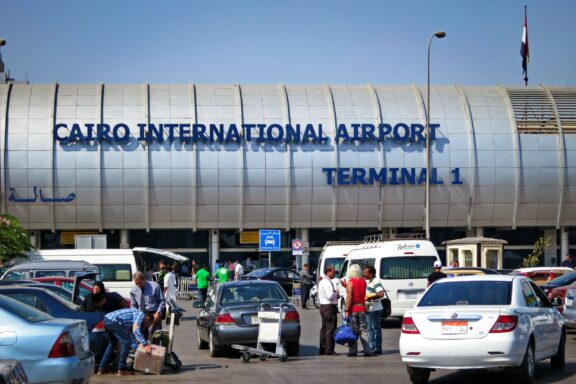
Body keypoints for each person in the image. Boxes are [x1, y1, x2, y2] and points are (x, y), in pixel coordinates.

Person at [98, 308, 154, 376]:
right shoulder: (140, 315)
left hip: (107, 319)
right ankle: (121, 369)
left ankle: (102, 368)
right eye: (149, 324)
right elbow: (136, 330)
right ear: (147, 319)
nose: (148, 326)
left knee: (112, 343)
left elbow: (130, 334)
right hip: (114, 321)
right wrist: (145, 345)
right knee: (126, 342)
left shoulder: (131, 319)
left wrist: (136, 346)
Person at [345, 264, 372, 357]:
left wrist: (346, 310)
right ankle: (367, 350)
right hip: (362, 308)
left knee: (353, 330)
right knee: (364, 330)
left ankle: (353, 351)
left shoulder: (350, 282)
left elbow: (349, 297)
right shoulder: (363, 281)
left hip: (353, 309)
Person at [130, 271, 165, 338]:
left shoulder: (155, 286)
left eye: (140, 283)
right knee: (140, 336)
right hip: (141, 315)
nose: (138, 285)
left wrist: (158, 313)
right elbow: (133, 305)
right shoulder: (133, 290)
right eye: (136, 283)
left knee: (154, 335)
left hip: (153, 314)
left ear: (144, 279)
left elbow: (162, 301)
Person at [364, 266, 385, 355]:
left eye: (366, 272)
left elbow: (381, 294)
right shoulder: (370, 281)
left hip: (374, 308)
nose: (364, 274)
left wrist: (369, 297)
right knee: (373, 328)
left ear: (371, 273)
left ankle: (374, 348)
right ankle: (374, 347)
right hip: (371, 308)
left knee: (372, 329)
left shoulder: (375, 281)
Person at [318, 266, 338, 355]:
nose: (334, 274)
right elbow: (330, 296)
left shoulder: (323, 281)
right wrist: (336, 293)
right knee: (330, 328)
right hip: (329, 307)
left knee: (325, 328)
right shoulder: (326, 282)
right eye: (334, 272)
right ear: (329, 271)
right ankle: (329, 350)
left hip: (323, 306)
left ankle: (323, 348)